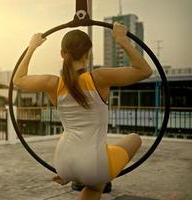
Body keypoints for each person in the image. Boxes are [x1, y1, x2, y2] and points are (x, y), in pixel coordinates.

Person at [13, 22, 151, 200]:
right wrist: (121, 39)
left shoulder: (53, 83)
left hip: (62, 163)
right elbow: (144, 71)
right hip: (93, 164)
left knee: (98, 177)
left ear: (62, 54)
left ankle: (81, 176)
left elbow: (18, 80)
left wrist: (32, 47)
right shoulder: (99, 78)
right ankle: (95, 177)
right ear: (89, 54)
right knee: (134, 139)